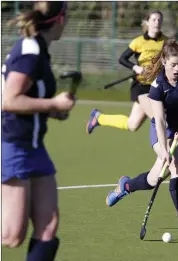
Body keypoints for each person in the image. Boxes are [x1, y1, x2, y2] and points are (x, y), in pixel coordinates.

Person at [105, 39, 178, 235]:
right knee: (177, 164)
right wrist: (165, 149)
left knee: (152, 180)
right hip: (162, 131)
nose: (177, 69)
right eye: (173, 64)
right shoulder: (158, 85)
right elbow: (158, 119)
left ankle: (126, 185)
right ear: (165, 62)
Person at [1, 2, 74, 261]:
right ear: (59, 19)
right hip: (12, 144)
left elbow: (30, 99)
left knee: (48, 226)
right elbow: (9, 100)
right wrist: (53, 103)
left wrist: (54, 110)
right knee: (11, 235)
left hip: (33, 147)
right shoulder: (30, 51)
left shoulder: (40, 49)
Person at [86, 10, 167, 134]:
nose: (157, 22)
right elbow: (122, 59)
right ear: (147, 22)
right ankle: (167, 153)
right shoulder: (138, 42)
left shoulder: (166, 42)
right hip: (142, 87)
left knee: (132, 125)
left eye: (159, 20)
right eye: (154, 19)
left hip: (158, 86)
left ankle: (99, 118)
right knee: (159, 120)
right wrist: (136, 68)